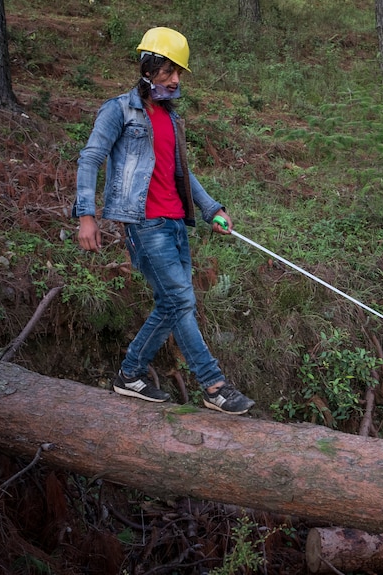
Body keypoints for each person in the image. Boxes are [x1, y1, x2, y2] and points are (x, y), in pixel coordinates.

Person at [73, 27, 254, 415]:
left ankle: (131, 374)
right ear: (148, 68)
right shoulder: (118, 110)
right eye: (168, 71)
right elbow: (90, 158)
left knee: (173, 305)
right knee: (181, 299)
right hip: (145, 222)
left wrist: (212, 210)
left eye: (178, 73)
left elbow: (183, 175)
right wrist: (86, 215)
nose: (174, 80)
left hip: (175, 222)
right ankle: (214, 385)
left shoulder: (171, 120)